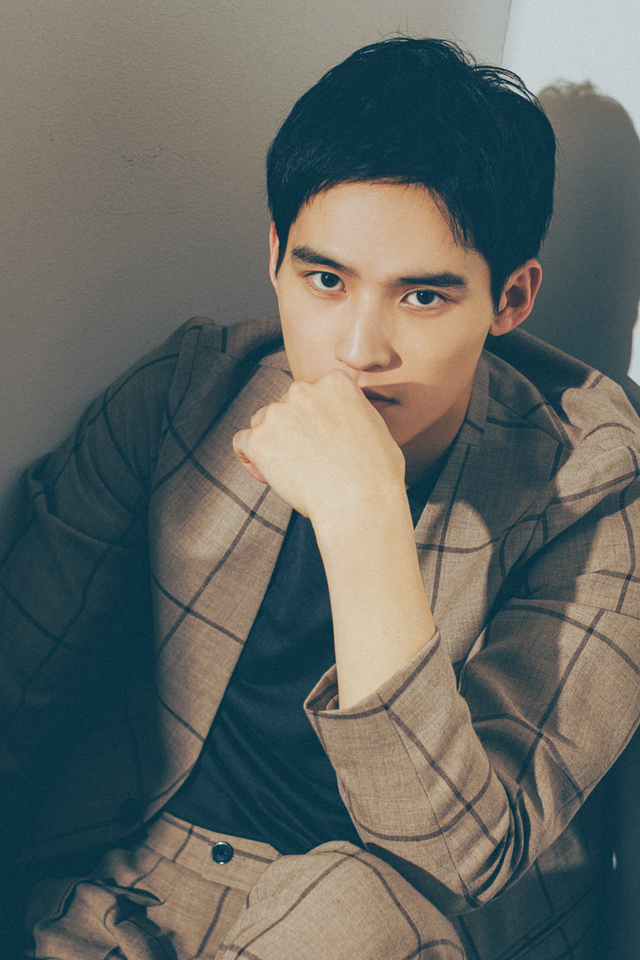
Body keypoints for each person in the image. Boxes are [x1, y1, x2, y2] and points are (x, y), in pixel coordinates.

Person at [1, 36, 639, 960]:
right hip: (136, 884)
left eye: (423, 297)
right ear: (276, 257)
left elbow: (458, 860)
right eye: (327, 280)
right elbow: (17, 684)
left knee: (358, 909)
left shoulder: (596, 488)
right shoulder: (192, 393)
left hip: (389, 921)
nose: (358, 350)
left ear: (510, 299)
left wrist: (363, 521)